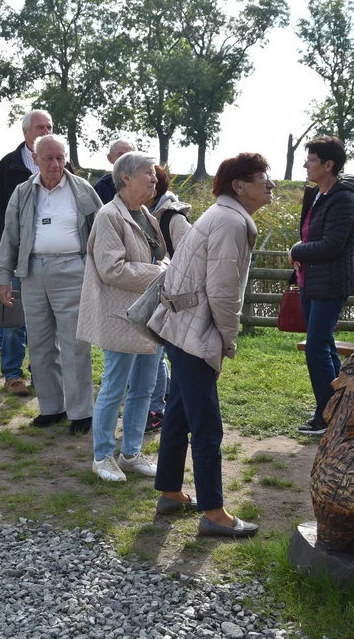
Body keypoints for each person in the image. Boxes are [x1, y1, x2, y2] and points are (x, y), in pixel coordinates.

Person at [147, 152, 275, 538]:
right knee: (207, 426)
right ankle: (214, 513)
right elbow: (223, 294)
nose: (270, 184)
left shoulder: (223, 215)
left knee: (180, 412)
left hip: (180, 327)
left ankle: (170, 492)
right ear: (240, 186)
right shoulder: (231, 222)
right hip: (194, 333)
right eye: (263, 177)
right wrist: (226, 339)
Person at [0, 134, 102, 435]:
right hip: (32, 272)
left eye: (60, 157)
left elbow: (102, 231)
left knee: (74, 344)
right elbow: (10, 237)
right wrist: (5, 277)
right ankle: (52, 407)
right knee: (40, 344)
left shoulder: (83, 189)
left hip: (73, 270)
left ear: (65, 158)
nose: (55, 164)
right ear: (37, 160)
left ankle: (81, 412)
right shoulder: (23, 192)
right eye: (48, 158)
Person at [77, 151, 166, 482]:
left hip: (149, 316)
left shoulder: (146, 214)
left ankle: (130, 453)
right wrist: (159, 272)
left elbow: (159, 254)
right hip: (121, 316)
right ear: (125, 177)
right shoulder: (109, 216)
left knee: (145, 386)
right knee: (115, 385)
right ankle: (102, 456)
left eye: (155, 173)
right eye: (147, 172)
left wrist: (164, 266)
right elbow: (111, 269)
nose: (154, 178)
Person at [288, 136, 354, 435]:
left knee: (316, 348)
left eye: (311, 160)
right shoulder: (319, 194)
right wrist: (300, 253)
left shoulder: (344, 199)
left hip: (331, 283)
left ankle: (326, 416)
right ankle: (339, 408)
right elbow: (312, 237)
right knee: (325, 346)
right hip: (313, 281)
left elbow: (332, 245)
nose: (305, 165)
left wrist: (296, 251)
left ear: (329, 165)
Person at [0, 109, 54, 397]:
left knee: (47, 318)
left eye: (49, 126)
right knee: (13, 317)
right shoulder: (8, 167)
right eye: (39, 127)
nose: (45, 131)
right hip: (17, 257)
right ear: (25, 133)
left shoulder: (62, 164)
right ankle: (12, 375)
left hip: (51, 257)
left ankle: (42, 372)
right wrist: (10, 236)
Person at [145, 164, 192, 432]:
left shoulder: (173, 218)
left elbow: (191, 258)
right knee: (155, 352)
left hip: (171, 296)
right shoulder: (144, 212)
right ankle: (167, 403)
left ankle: (157, 409)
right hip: (153, 292)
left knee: (158, 352)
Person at [92, 139, 136, 204]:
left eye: (129, 155)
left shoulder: (145, 182)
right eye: (120, 154)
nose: (125, 159)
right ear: (110, 158)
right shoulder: (103, 186)